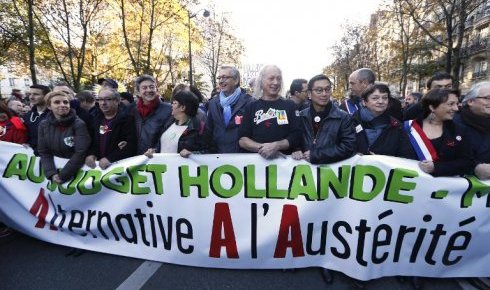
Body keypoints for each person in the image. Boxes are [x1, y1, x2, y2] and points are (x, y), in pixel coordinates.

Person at [404, 88, 473, 176]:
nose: (456, 108)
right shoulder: (408, 127)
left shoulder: (460, 131)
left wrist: (437, 168)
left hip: (444, 187)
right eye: (451, 104)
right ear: (432, 107)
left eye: (457, 103)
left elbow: (467, 163)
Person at [238, 65, 301, 159]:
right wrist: (263, 148)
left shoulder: (290, 106)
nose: (275, 82)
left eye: (279, 79)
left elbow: (296, 135)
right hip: (257, 165)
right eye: (271, 78)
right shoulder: (251, 107)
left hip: (284, 166)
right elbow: (242, 140)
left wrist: (277, 146)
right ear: (261, 81)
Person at [292, 74, 356, 164]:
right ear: (309, 94)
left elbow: (349, 146)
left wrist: (317, 155)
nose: (324, 94)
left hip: (332, 173)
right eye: (319, 90)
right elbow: (295, 139)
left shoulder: (343, 117)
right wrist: (296, 149)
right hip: (305, 173)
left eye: (327, 89)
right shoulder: (301, 116)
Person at [38, 91, 91, 183]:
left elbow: (81, 152)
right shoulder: (43, 125)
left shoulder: (79, 124)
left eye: (66, 102)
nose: (62, 105)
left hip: (77, 174)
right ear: (49, 106)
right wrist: (51, 173)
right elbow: (44, 152)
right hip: (56, 173)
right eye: (57, 102)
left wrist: (64, 175)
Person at [351, 84, 416, 158]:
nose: (381, 101)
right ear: (364, 102)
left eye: (385, 98)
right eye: (375, 98)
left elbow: (406, 155)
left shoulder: (396, 126)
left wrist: (384, 159)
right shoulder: (350, 122)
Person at [85, 88, 137, 170]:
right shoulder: (98, 120)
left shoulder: (127, 119)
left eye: (107, 99)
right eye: (100, 99)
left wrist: (110, 158)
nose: (103, 103)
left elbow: (131, 145)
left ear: (117, 101)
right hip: (101, 169)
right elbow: (96, 142)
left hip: (120, 169)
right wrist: (92, 154)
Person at [204, 65, 253, 153]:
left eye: (225, 77)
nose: (221, 81)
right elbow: (208, 132)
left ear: (236, 80)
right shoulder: (213, 103)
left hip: (243, 158)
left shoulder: (250, 102)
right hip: (218, 157)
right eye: (219, 78)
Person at [144, 90, 203, 157]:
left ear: (182, 107)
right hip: (163, 166)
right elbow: (163, 146)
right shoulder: (169, 123)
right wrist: (154, 151)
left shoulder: (197, 127)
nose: (171, 105)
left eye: (174, 103)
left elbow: (207, 151)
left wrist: (192, 154)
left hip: (181, 166)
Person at [456, 81, 490, 180]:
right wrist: (474, 168)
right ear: (471, 101)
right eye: (488, 98)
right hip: (461, 188)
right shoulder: (452, 123)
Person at [130, 74, 172, 154]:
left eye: (152, 87)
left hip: (157, 159)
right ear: (138, 92)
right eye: (144, 88)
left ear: (157, 90)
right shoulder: (133, 111)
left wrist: (155, 150)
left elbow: (169, 137)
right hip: (135, 160)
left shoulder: (168, 110)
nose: (149, 90)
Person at [23, 84, 51, 155]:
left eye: (36, 94)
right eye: (30, 94)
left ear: (46, 96)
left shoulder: (55, 114)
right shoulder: (27, 116)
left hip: (51, 155)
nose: (31, 97)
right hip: (33, 157)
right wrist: (26, 143)